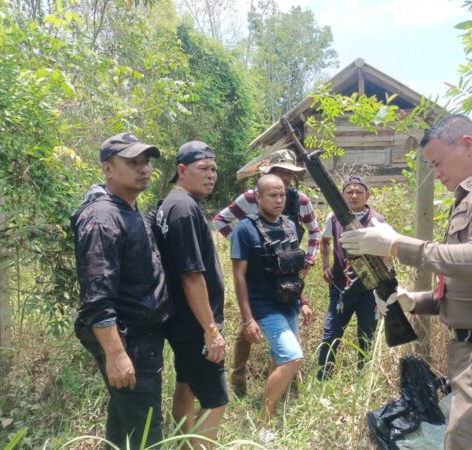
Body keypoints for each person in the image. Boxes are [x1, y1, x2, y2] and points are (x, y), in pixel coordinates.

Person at [341, 114, 472, 449]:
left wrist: (395, 244)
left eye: (437, 163)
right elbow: (470, 287)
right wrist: (414, 300)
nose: (435, 174)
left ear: (466, 145)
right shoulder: (470, 198)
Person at [71, 133, 169, 449]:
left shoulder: (128, 208)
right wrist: (116, 354)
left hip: (140, 338)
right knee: (148, 433)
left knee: (124, 416)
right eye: (132, 162)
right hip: (129, 341)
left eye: (146, 161)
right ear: (107, 169)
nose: (143, 168)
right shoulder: (102, 217)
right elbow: (96, 295)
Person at [214, 148, 321, 397]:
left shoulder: (300, 200)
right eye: (279, 171)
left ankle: (284, 386)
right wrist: (249, 250)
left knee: (285, 331)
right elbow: (221, 220)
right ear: (269, 173)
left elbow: (315, 231)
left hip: (288, 268)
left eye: (289, 173)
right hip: (256, 273)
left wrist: (308, 258)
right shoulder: (251, 198)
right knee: (247, 326)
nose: (284, 178)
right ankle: (238, 379)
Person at [153, 141, 228, 449]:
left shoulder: (171, 203)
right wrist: (211, 331)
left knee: (185, 387)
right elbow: (191, 275)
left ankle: (181, 445)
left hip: (182, 320)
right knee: (216, 401)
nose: (211, 175)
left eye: (214, 169)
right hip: (195, 324)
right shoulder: (183, 209)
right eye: (203, 169)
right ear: (181, 170)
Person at [230, 174, 313, 443]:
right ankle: (262, 424)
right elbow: (239, 276)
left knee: (280, 359)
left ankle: (276, 410)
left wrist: (303, 301)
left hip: (288, 303)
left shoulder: (289, 225)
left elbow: (291, 270)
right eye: (272, 195)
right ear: (258, 197)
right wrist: (247, 319)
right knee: (292, 357)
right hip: (264, 307)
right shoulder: (245, 229)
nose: (278, 200)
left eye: (282, 195)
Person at [317, 175, 385, 380]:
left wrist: (382, 288)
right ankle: (323, 379)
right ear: (343, 195)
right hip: (340, 289)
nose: (354, 196)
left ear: (368, 195)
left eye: (359, 192)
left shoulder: (377, 220)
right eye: (349, 192)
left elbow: (385, 253)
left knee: (366, 336)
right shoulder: (333, 217)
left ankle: (362, 380)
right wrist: (325, 265)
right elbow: (324, 241)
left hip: (368, 290)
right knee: (331, 335)